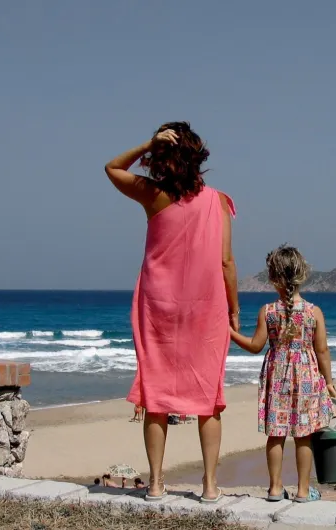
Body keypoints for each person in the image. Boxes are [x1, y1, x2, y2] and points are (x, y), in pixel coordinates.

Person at [105, 122, 239, 503]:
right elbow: (226, 262)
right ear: (198, 157)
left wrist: (146, 143)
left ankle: (155, 483)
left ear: (160, 158)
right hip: (206, 309)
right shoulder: (218, 202)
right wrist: (234, 310)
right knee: (208, 397)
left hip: (157, 309)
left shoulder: (153, 195)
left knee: (156, 394)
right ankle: (210, 486)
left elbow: (112, 168)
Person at [230, 245, 336, 503]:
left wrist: (229, 333)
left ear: (273, 277)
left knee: (275, 434)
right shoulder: (314, 312)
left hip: (276, 375)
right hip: (306, 377)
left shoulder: (268, 311)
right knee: (303, 436)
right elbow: (321, 351)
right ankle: (302, 491)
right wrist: (329, 382)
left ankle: (275, 489)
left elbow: (256, 346)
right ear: (302, 274)